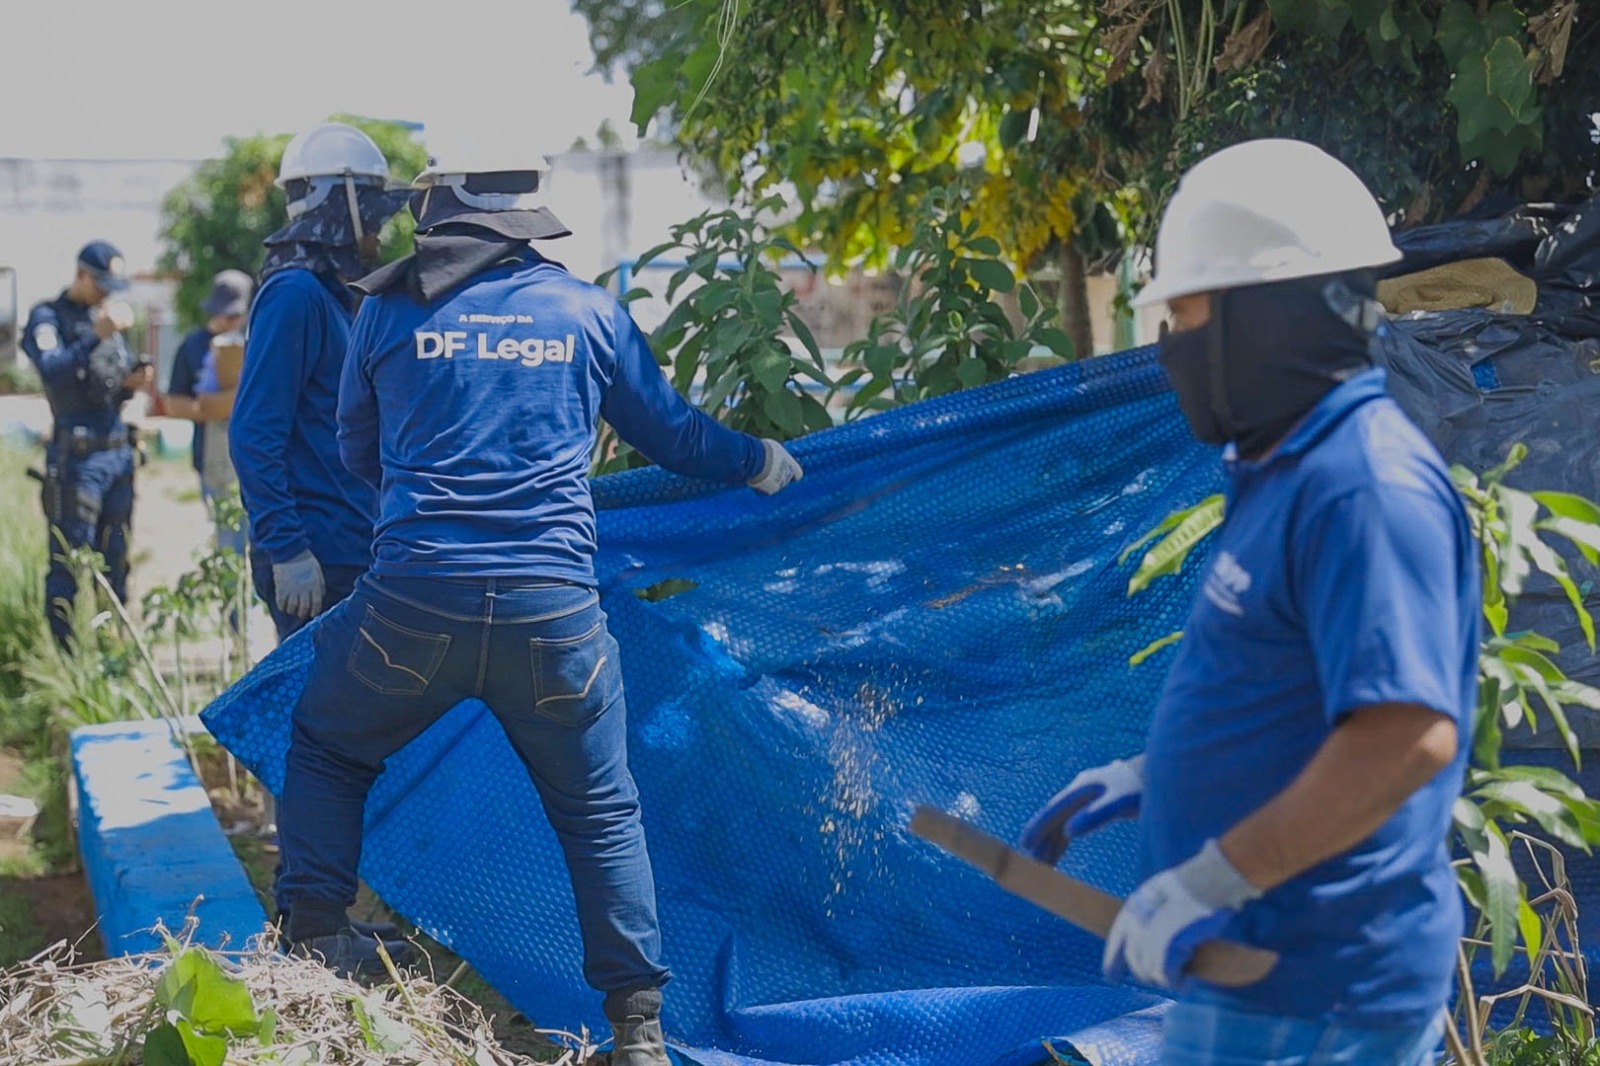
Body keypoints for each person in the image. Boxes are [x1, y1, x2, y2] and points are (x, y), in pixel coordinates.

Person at [271, 142, 802, 1064]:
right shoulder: (587, 309)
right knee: (600, 813)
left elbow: (363, 457)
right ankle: (637, 1029)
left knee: (326, 741)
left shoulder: (387, 309)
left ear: (447, 200)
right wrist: (756, 460)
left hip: (411, 606)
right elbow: (673, 436)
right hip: (554, 618)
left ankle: (318, 935)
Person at [1018, 139, 1478, 1066]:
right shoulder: (1285, 465)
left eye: (1184, 312)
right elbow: (1295, 688)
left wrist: (1216, 879)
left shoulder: (1365, 487)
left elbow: (1403, 733)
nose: (1167, 344)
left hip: (1322, 998)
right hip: (1257, 985)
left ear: (1267, 320)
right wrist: (1155, 773)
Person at [231, 122, 408, 642]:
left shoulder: (331, 295)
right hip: (315, 558)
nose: (379, 233)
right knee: (320, 721)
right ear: (343, 209)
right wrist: (286, 548)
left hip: (347, 548)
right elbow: (252, 431)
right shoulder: (295, 293)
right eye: (373, 217)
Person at [21, 241, 152, 647]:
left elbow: (107, 388)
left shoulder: (103, 318)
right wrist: (96, 334)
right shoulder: (48, 317)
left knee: (115, 561)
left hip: (116, 454)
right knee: (69, 563)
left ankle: (113, 650)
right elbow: (52, 370)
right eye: (101, 284)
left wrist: (131, 384)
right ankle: (67, 661)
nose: (106, 294)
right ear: (81, 275)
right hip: (78, 462)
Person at [155, 269, 253, 553]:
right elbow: (174, 404)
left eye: (235, 315)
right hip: (211, 459)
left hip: (256, 459)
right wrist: (220, 406)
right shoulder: (192, 346)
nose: (228, 321)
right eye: (224, 314)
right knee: (228, 544)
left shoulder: (257, 342)